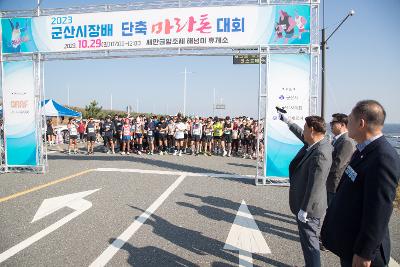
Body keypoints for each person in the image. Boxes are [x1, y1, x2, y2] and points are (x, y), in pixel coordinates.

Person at [321, 100, 400, 267]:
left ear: (361, 123)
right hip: (351, 243)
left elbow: (379, 210)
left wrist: (365, 252)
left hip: (362, 252)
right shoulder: (363, 150)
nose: (346, 124)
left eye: (349, 119)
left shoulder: (383, 157)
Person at [278, 111, 333, 267]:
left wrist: (305, 209)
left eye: (305, 127)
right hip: (306, 204)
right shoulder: (317, 144)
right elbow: (302, 134)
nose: (304, 131)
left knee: (310, 244)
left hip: (310, 207)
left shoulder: (321, 152)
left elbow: (316, 183)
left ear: (313, 131)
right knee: (307, 242)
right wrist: (288, 122)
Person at [326, 113, 355, 206]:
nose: (330, 125)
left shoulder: (347, 141)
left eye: (333, 123)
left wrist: (323, 171)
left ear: (342, 124)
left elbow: (338, 164)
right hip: (332, 182)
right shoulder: (338, 139)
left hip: (336, 184)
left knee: (334, 210)